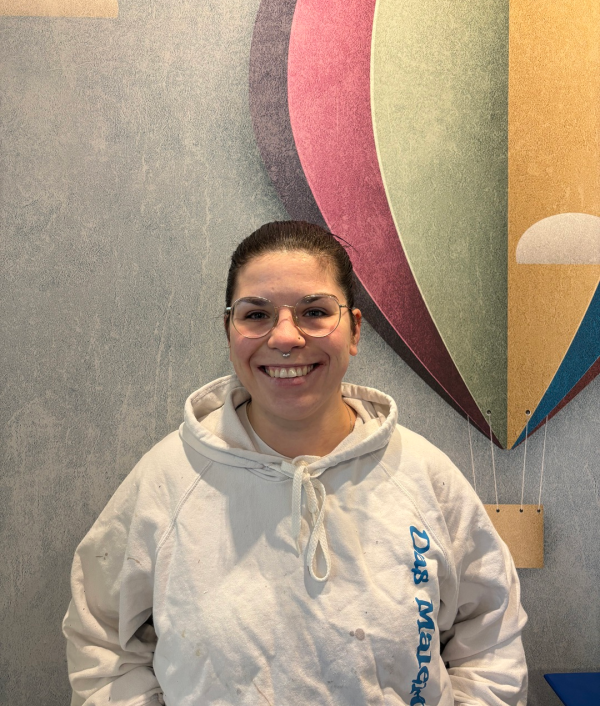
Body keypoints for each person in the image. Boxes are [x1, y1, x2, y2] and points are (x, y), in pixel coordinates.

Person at [63, 220, 527, 706]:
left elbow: (491, 639)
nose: (285, 336)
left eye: (315, 311)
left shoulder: (422, 475)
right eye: (256, 315)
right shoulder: (169, 480)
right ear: (229, 332)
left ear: (354, 330)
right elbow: (101, 642)